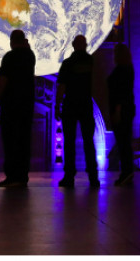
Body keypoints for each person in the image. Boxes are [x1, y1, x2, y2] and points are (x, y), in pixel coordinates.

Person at [0, 29, 37, 188]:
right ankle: (22, 175)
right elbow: (29, 49)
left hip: (10, 104)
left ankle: (12, 175)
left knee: (10, 139)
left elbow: (3, 79)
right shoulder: (30, 56)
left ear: (12, 41)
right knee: (24, 139)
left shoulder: (9, 57)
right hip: (27, 104)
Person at [56, 34, 99, 188]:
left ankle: (69, 176)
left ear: (73, 45)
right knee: (89, 141)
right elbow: (97, 82)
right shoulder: (92, 62)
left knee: (69, 142)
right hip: (86, 104)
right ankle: (93, 176)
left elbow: (61, 85)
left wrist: (57, 105)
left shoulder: (68, 63)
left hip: (70, 105)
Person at [108, 42, 136, 186]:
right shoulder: (127, 68)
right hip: (126, 109)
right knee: (124, 142)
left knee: (123, 142)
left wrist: (117, 111)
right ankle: (127, 171)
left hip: (122, 110)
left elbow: (121, 92)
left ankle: (127, 172)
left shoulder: (123, 70)